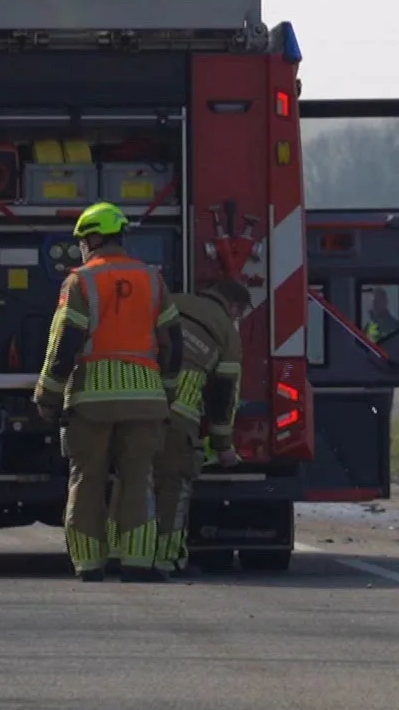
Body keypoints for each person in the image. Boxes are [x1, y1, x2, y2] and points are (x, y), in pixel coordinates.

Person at [33, 202, 183, 583]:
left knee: (87, 479)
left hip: (91, 401)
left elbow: (64, 343)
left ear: (93, 239)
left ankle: (89, 565)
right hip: (145, 401)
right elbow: (173, 343)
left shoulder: (80, 282)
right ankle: (137, 563)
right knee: (138, 479)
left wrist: (48, 396)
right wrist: (166, 391)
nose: (81, 249)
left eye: (82, 242)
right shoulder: (153, 279)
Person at [155, 278, 249, 574]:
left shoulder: (171, 301)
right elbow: (224, 396)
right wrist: (223, 446)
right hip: (178, 417)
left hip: (136, 404)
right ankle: (167, 559)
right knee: (173, 489)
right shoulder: (227, 333)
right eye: (239, 314)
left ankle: (126, 555)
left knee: (130, 482)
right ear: (233, 306)